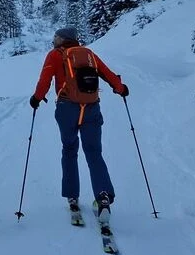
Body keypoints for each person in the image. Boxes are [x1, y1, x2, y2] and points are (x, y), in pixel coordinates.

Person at [29, 27, 128, 226]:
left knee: (69, 150)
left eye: (56, 36)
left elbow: (45, 80)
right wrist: (121, 88)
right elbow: (107, 74)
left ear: (63, 39)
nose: (54, 39)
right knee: (94, 153)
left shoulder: (55, 55)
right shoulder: (89, 54)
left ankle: (72, 196)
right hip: (91, 107)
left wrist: (36, 98)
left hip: (67, 108)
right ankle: (103, 197)